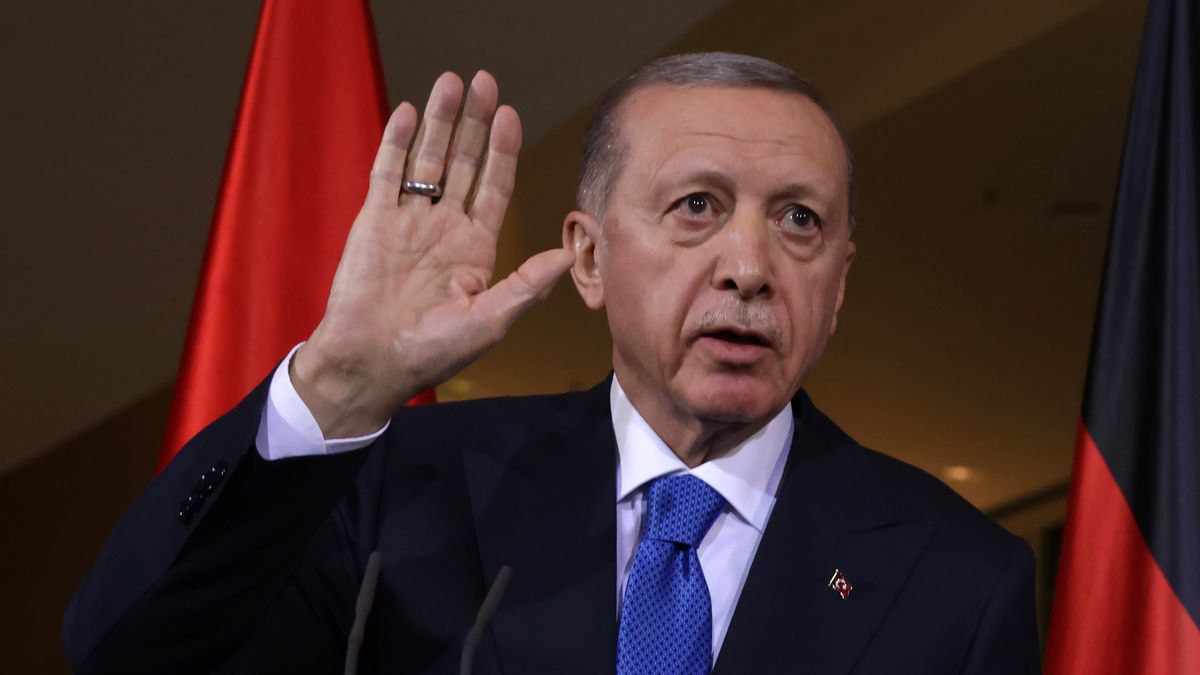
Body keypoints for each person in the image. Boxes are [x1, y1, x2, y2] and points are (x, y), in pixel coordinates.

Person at [63, 53, 1041, 674]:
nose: (750, 267)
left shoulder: (957, 575)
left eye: (800, 221)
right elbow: (127, 653)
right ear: (587, 256)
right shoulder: (406, 488)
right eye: (696, 205)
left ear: (838, 283)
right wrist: (333, 388)